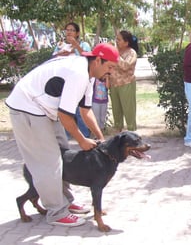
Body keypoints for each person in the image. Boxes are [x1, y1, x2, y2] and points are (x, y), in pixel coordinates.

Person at [6, 43, 119, 227]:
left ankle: (64, 201)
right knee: (49, 161)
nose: (111, 72)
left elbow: (86, 111)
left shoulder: (89, 75)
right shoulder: (79, 74)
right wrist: (82, 140)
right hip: (28, 108)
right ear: (98, 60)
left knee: (64, 156)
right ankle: (56, 212)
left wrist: (101, 138)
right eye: (110, 67)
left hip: (45, 109)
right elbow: (65, 115)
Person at [53, 22, 92, 138]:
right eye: (67, 30)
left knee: (80, 109)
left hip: (79, 81)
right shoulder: (60, 45)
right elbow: (53, 59)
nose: (69, 32)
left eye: (72, 30)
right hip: (63, 81)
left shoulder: (84, 45)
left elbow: (88, 58)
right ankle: (68, 133)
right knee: (66, 108)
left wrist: (76, 46)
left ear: (77, 33)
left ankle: (84, 134)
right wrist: (60, 54)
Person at [109, 30, 138, 132]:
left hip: (126, 84)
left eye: (119, 40)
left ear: (126, 42)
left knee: (129, 110)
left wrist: (115, 53)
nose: (117, 41)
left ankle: (132, 134)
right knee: (116, 111)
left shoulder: (132, 53)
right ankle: (118, 134)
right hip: (114, 85)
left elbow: (125, 66)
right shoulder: (115, 51)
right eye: (116, 39)